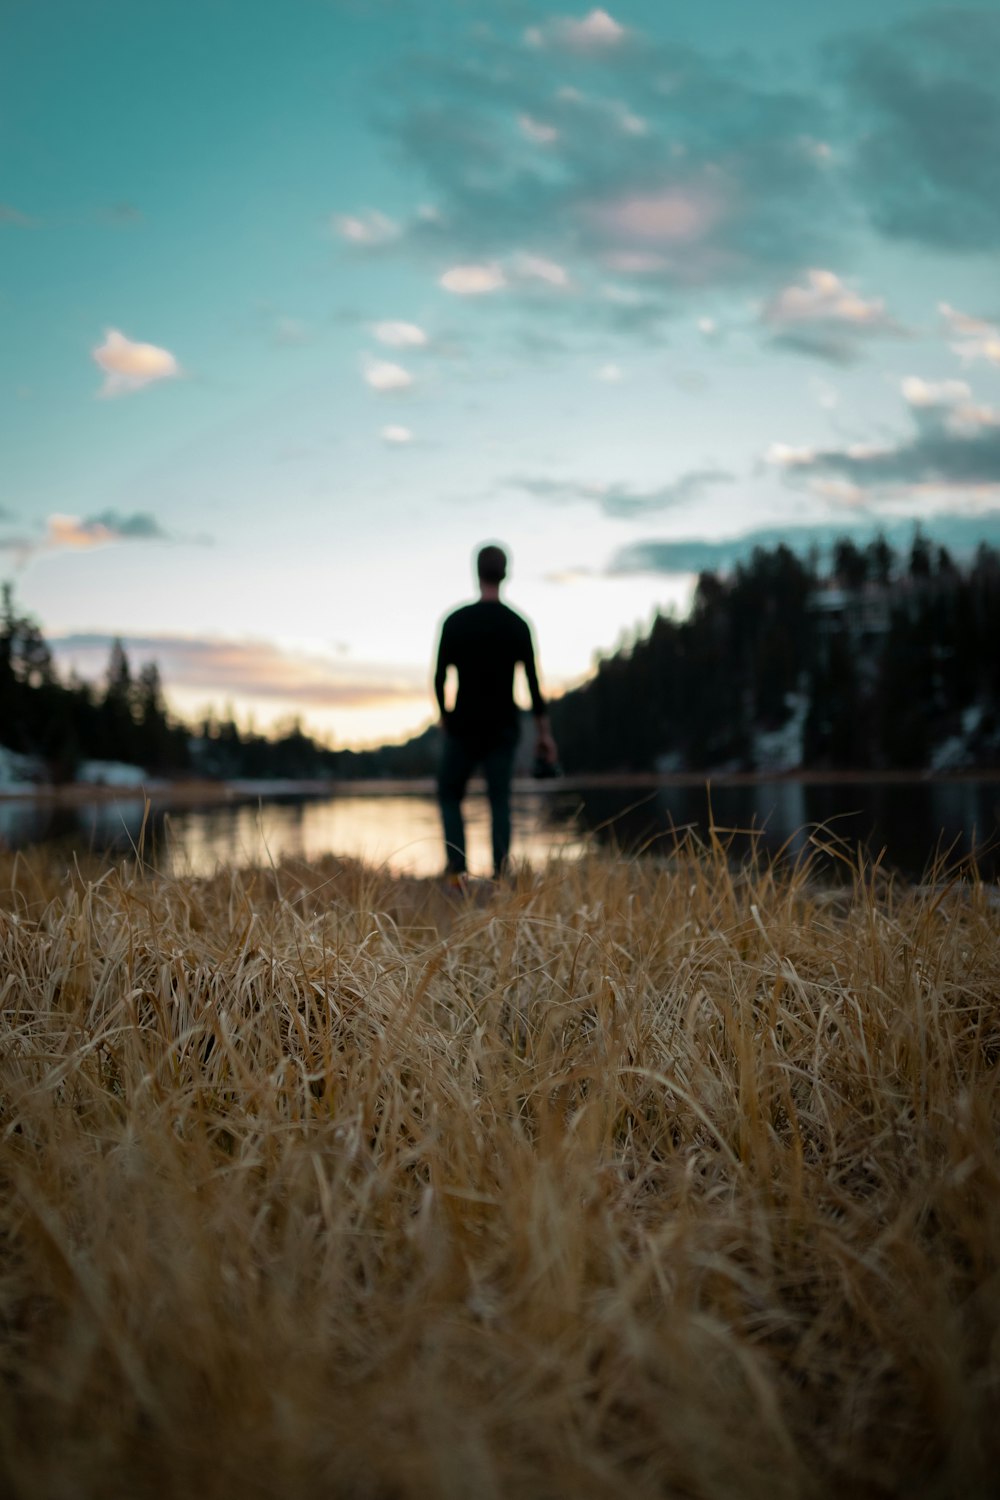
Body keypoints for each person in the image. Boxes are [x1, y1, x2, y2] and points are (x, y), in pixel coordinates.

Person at [434, 544, 557, 881]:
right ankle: (500, 877)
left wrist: (445, 716)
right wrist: (544, 734)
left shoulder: (456, 621)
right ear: (505, 574)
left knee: (449, 792)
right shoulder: (518, 625)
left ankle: (457, 875)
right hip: (503, 726)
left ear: (477, 573)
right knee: (499, 800)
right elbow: (533, 684)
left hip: (463, 725)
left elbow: (439, 677)